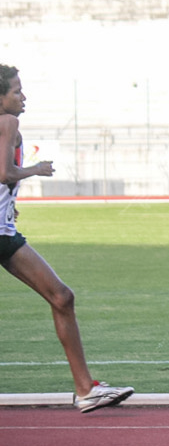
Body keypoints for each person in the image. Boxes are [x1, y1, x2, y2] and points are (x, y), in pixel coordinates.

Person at [0, 64, 134, 412]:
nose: (23, 96)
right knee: (61, 297)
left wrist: (8, 207)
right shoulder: (8, 122)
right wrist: (36, 170)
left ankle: (86, 389)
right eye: (16, 90)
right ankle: (85, 388)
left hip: (5, 234)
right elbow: (4, 172)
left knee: (61, 297)